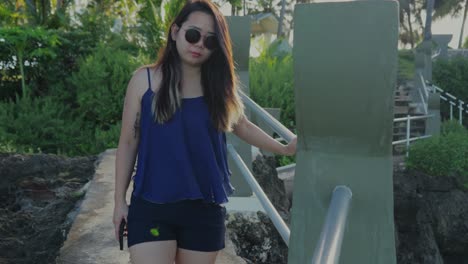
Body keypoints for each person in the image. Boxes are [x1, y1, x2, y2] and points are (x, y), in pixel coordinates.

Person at [113, 1, 297, 263]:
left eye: (210, 41)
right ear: (175, 31)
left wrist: (284, 148)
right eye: (193, 34)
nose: (199, 44)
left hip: (203, 211)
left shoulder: (218, 89)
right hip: (152, 208)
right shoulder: (145, 81)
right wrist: (119, 202)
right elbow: (128, 143)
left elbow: (241, 125)